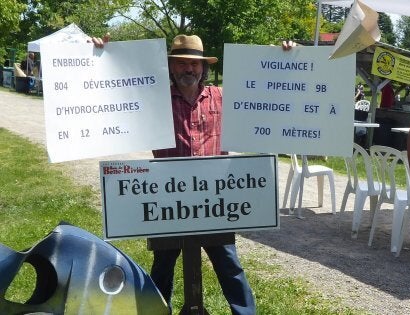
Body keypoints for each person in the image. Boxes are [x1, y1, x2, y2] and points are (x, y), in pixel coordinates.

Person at [91, 34, 291, 314]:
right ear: (171, 67)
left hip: (214, 200)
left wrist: (282, 58)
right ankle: (157, 311)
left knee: (229, 265)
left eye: (195, 64)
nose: (189, 69)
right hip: (167, 199)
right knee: (162, 265)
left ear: (203, 68)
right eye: (182, 63)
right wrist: (98, 56)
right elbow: (112, 92)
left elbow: (268, 97)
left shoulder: (223, 98)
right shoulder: (153, 98)